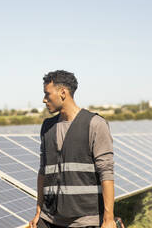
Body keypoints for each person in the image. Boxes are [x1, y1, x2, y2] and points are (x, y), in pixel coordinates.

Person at [29, 70, 116, 228]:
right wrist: (38, 211)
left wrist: (108, 219)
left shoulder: (95, 124)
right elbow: (43, 172)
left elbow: (106, 172)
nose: (44, 100)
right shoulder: (47, 127)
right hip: (49, 219)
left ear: (63, 92)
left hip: (85, 221)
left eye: (47, 94)